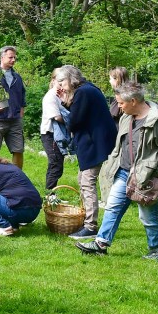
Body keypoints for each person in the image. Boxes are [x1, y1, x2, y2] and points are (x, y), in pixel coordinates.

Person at [76, 82, 158, 260]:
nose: (119, 107)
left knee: (148, 214)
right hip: (124, 172)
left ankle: (157, 250)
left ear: (134, 101)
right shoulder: (126, 117)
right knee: (113, 207)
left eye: (121, 103)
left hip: (148, 175)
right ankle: (100, 244)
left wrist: (157, 173)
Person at [55, 65, 116, 239]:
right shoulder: (87, 88)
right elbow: (78, 116)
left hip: (94, 144)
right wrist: (66, 100)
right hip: (95, 142)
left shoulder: (83, 92)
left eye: (62, 81)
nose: (60, 86)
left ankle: (90, 226)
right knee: (82, 179)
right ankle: (86, 220)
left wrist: (64, 103)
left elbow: (73, 122)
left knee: (87, 182)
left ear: (71, 78)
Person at [39, 69, 68, 191]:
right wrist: (73, 121)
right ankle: (50, 194)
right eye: (59, 81)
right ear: (54, 80)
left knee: (57, 164)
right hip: (50, 134)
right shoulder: (50, 96)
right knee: (55, 164)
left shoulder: (61, 95)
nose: (62, 84)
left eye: (64, 81)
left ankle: (50, 193)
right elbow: (57, 117)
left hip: (57, 134)